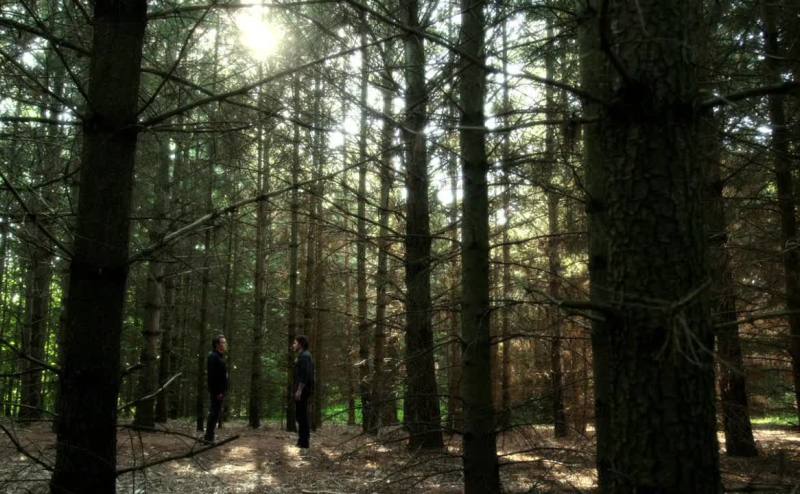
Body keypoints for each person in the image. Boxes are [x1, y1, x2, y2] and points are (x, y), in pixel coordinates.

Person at [204, 334, 228, 444]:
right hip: (217, 392)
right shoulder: (213, 356)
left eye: (225, 342)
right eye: (223, 342)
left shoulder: (220, 356)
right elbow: (212, 376)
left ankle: (210, 436)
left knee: (216, 413)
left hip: (220, 391)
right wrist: (218, 392)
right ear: (217, 344)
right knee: (214, 413)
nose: (225, 344)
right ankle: (208, 438)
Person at [292, 335, 315, 450]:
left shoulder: (305, 356)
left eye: (295, 343)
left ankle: (304, 442)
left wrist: (299, 390)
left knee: (302, 415)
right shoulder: (303, 356)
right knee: (300, 415)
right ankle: (302, 441)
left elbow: (305, 374)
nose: (293, 345)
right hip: (302, 389)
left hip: (303, 389)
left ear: (300, 344)